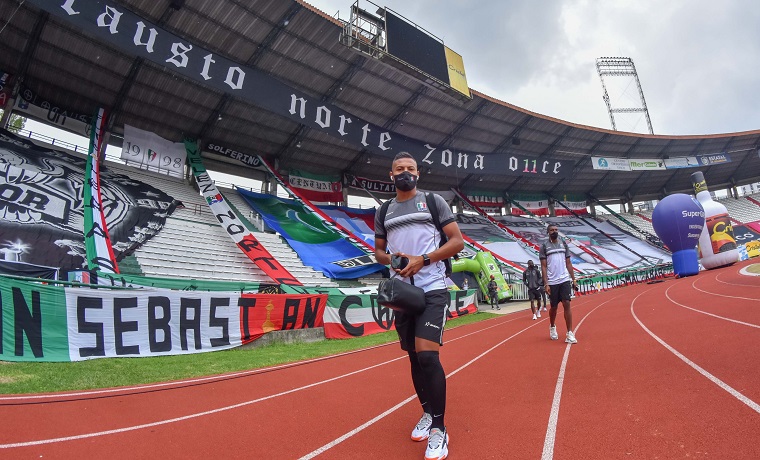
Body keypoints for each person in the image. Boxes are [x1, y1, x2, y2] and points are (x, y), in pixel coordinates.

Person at [374, 151, 464, 460]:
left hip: (432, 288)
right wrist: (395, 261)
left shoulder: (434, 202)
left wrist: (422, 260)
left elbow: (456, 242)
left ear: (418, 174)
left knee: (427, 356)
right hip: (401, 294)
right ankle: (426, 413)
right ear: (391, 174)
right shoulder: (384, 210)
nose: (404, 173)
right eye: (399, 169)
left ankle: (439, 429)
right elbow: (379, 253)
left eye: (410, 169)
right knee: (413, 356)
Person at [540, 223, 578, 343]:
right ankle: (552, 326)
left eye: (556, 229)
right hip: (552, 281)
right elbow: (544, 266)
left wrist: (573, 279)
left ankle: (570, 333)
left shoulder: (563, 244)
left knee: (567, 303)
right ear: (548, 232)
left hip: (564, 279)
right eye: (552, 230)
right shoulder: (544, 246)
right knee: (554, 307)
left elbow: (568, 263)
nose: (554, 231)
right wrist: (546, 284)